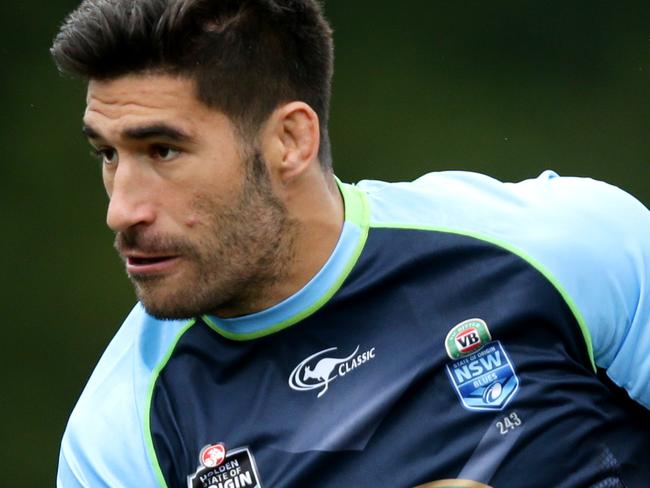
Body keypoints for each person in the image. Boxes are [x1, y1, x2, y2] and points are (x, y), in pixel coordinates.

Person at [51, 1, 650, 487]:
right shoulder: (118, 436)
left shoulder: (563, 244)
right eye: (108, 154)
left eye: (163, 151)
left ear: (290, 140)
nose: (121, 210)